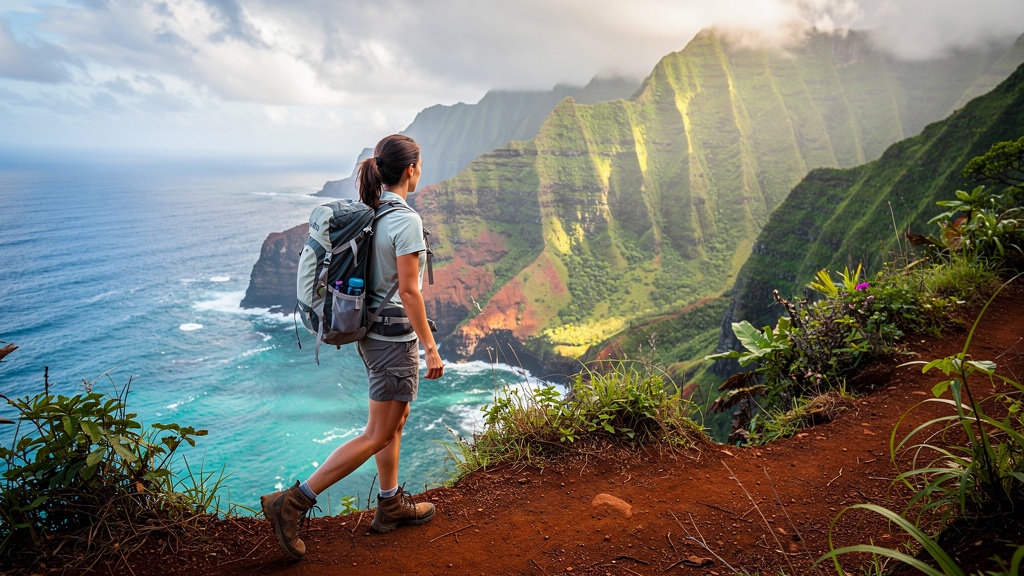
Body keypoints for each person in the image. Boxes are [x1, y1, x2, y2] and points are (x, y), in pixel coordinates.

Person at [260, 134, 445, 560]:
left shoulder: (373, 211)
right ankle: (292, 503)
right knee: (378, 432)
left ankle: (390, 502)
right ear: (412, 170)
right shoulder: (406, 220)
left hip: (370, 335)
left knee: (394, 422)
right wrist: (431, 349)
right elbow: (411, 292)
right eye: (421, 165)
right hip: (393, 341)